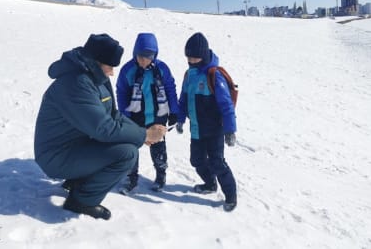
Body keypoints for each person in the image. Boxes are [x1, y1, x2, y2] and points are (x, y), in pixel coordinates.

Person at [34, 33, 166, 220]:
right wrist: (143, 134)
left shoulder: (96, 77)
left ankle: (79, 181)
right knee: (127, 153)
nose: (112, 72)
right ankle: (82, 200)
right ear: (95, 61)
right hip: (56, 156)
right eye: (110, 66)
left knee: (129, 143)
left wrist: (141, 134)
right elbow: (103, 128)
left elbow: (113, 114)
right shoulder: (76, 83)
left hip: (76, 144)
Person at [176, 32, 238, 212]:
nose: (191, 60)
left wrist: (230, 130)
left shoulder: (214, 75)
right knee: (196, 160)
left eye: (194, 57)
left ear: (202, 55)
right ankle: (210, 184)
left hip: (214, 130)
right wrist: (180, 119)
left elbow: (226, 105)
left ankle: (231, 195)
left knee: (217, 163)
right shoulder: (189, 75)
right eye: (188, 56)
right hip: (196, 129)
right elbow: (183, 100)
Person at [116, 33, 179, 193]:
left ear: (155, 55)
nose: (144, 60)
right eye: (141, 56)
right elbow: (121, 92)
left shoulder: (161, 69)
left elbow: (171, 89)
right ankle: (131, 177)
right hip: (135, 116)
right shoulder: (128, 70)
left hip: (158, 116)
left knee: (158, 147)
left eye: (149, 57)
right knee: (132, 146)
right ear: (135, 53)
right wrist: (124, 114)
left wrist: (174, 110)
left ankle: (160, 174)